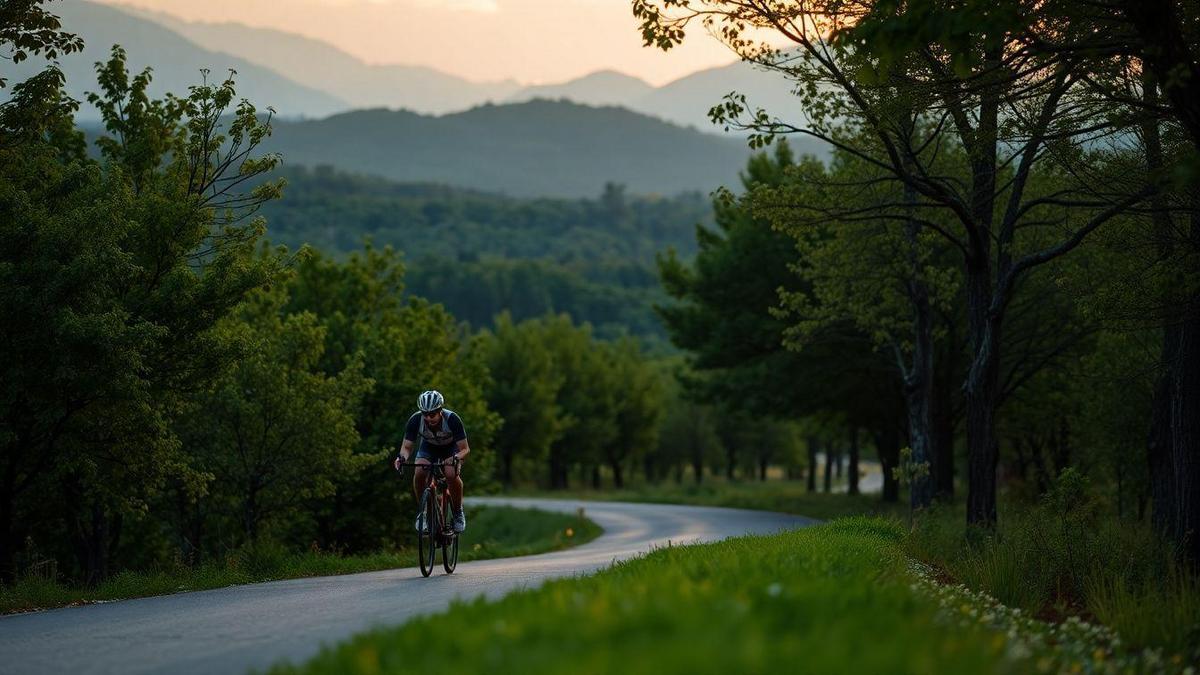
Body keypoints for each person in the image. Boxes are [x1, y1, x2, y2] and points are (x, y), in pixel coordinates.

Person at [393, 390, 471, 533]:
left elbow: (465, 449)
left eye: (432, 414)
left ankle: (458, 512)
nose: (429, 418)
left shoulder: (452, 419)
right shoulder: (415, 420)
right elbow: (406, 447)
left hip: (451, 449)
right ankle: (423, 512)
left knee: (450, 473)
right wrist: (401, 458)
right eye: (425, 414)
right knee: (419, 472)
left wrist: (455, 458)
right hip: (429, 447)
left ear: (440, 411)